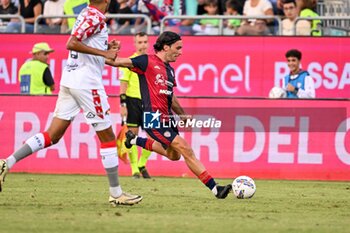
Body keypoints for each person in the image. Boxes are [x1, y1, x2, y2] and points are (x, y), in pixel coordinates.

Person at [0, 0, 143, 207]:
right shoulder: (95, 16)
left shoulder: (87, 13)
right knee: (108, 137)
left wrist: (105, 47)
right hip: (86, 84)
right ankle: (116, 193)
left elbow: (83, 44)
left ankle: (7, 162)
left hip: (71, 80)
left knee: (53, 135)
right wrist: (104, 53)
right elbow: (72, 43)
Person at [110, 31, 232, 199]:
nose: (181, 52)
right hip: (153, 117)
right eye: (178, 48)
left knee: (174, 155)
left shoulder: (170, 71)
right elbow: (114, 62)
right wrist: (110, 51)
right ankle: (215, 188)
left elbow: (171, 96)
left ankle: (133, 140)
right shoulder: (146, 61)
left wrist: (182, 115)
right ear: (166, 47)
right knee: (185, 148)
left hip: (168, 118)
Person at [119, 32, 152, 179]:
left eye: (145, 41)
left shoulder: (153, 61)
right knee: (132, 135)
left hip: (151, 102)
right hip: (133, 101)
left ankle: (141, 163)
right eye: (140, 42)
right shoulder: (130, 61)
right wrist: (123, 104)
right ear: (135, 44)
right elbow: (123, 83)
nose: (143, 45)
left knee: (156, 136)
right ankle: (134, 170)